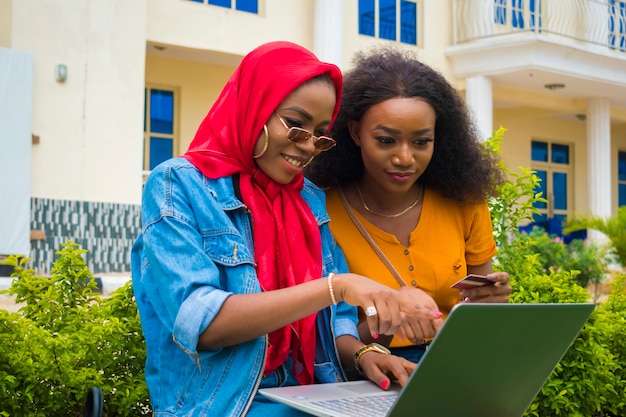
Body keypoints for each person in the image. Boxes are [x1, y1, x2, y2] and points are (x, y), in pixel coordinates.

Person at [131, 41, 443, 417]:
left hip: (310, 399)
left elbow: (335, 321)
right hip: (225, 406)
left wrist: (365, 353)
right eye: (296, 126)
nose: (308, 146)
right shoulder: (178, 186)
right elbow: (204, 323)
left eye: (321, 133)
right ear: (254, 107)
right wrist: (336, 286)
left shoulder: (306, 198)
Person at [305, 46, 512, 364]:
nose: (404, 158)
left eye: (421, 142)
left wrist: (491, 302)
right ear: (356, 133)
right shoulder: (320, 211)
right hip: (369, 374)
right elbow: (322, 339)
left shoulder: (465, 202)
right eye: (386, 140)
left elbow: (479, 316)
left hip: (455, 365)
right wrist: (388, 317)